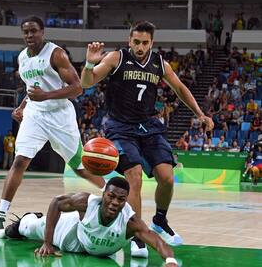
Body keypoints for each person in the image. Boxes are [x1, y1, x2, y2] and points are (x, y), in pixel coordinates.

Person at [80, 21, 213, 257]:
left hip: (149, 126)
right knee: (134, 175)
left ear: (151, 43)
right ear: (129, 40)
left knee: (167, 178)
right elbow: (86, 83)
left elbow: (180, 89)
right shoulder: (115, 57)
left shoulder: (159, 62)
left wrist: (200, 114)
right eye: (136, 42)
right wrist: (90, 63)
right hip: (120, 127)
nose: (140, 47)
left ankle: (159, 221)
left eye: (145, 43)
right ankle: (136, 235)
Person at [0, 16, 105, 238]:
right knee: (20, 160)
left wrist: (46, 96)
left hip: (60, 114)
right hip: (35, 114)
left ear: (42, 32)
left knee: (79, 167)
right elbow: (32, 87)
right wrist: (23, 106)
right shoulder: (23, 57)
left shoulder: (56, 54)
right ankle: (0, 215)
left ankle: (107, 191)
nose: (29, 35)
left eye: (34, 31)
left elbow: (77, 88)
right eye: (26, 32)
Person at [4, 177, 178, 267]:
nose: (115, 202)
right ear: (103, 195)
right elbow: (56, 202)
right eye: (111, 196)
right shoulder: (87, 203)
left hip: (97, 250)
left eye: (121, 199)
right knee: (27, 227)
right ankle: (23, 221)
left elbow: (156, 241)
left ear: (125, 201)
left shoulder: (130, 222)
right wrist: (47, 243)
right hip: (71, 234)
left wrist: (170, 261)